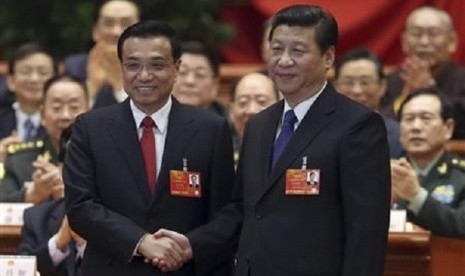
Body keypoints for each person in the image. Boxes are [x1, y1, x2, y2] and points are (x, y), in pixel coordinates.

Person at [154, 4, 391, 275]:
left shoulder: (357, 126)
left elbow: (366, 233)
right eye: (277, 49)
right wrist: (192, 244)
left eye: (298, 51)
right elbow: (243, 210)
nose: (284, 60)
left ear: (328, 57)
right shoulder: (259, 125)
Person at [63, 20, 235, 275]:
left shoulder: (211, 129)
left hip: (185, 268)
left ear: (176, 68)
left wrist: (189, 246)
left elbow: (227, 213)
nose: (144, 75)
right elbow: (80, 207)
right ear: (121, 68)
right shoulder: (90, 128)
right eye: (133, 65)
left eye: (157, 65)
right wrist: (140, 242)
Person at [0, 76, 89, 203]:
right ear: (42, 115)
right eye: (57, 108)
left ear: (90, 113)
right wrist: (33, 195)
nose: (65, 116)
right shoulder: (18, 160)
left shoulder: (107, 156)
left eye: (74, 108)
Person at [381, 6, 465, 139]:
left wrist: (429, 91)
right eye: (416, 34)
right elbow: (380, 126)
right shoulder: (391, 81)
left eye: (433, 34)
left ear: (452, 41)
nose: (424, 42)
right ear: (404, 41)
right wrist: (404, 98)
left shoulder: (461, 80)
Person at [391, 88, 465, 239]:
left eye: (426, 118)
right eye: (409, 119)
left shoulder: (461, 175)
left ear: (448, 128)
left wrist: (417, 196)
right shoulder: (382, 173)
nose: (416, 127)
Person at [17, 126, 87, 276]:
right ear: (60, 168)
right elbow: (20, 268)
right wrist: (57, 244)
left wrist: (84, 246)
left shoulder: (128, 218)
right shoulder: (36, 218)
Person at [64, 0, 139, 104]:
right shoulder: (74, 67)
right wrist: (92, 87)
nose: (116, 32)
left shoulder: (154, 70)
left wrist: (119, 87)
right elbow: (66, 117)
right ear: (95, 31)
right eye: (108, 24)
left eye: (126, 24)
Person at [334, 48, 404, 158]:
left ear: (382, 86)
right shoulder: (315, 133)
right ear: (335, 87)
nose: (356, 90)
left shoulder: (399, 135)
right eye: (348, 82)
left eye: (365, 82)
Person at [0, 43, 57, 164]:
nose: (34, 79)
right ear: (10, 81)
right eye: (26, 72)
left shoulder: (64, 121)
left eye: (43, 73)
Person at [229, 72, 278, 161]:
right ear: (231, 110)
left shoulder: (292, 151)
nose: (252, 110)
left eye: (262, 101)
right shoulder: (221, 152)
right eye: (243, 102)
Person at [172, 41, 228, 118]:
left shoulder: (230, 124)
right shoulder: (152, 122)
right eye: (182, 72)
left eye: (200, 75)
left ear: (215, 84)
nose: (190, 81)